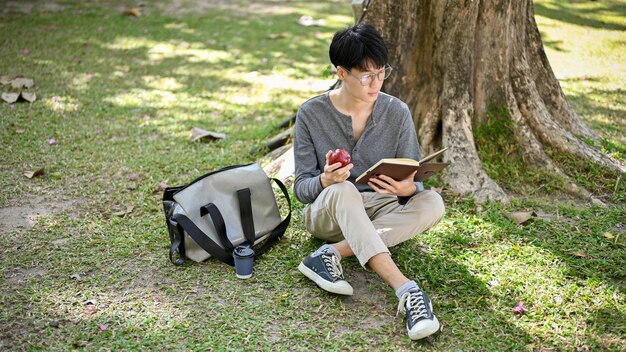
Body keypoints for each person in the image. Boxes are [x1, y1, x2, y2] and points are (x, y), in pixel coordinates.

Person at [293, 22, 445, 340]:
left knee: (432, 202)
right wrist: (323, 180)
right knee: (344, 187)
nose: (375, 83)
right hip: (329, 212)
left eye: (380, 72)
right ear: (341, 73)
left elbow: (413, 175)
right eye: (365, 75)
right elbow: (301, 190)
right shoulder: (311, 114)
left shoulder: (396, 112)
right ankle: (407, 291)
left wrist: (410, 188)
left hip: (380, 205)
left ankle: (330, 254)